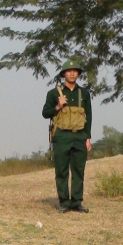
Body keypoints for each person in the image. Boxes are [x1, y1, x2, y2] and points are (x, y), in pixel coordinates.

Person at [42, 59, 93, 213]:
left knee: (78, 170)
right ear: (63, 74)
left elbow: (88, 116)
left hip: (79, 136)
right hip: (62, 136)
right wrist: (58, 106)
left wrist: (88, 137)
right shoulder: (53, 93)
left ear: (78, 74)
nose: (72, 73)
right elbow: (45, 113)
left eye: (75, 71)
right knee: (62, 170)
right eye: (69, 71)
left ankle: (77, 202)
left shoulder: (84, 93)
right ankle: (64, 202)